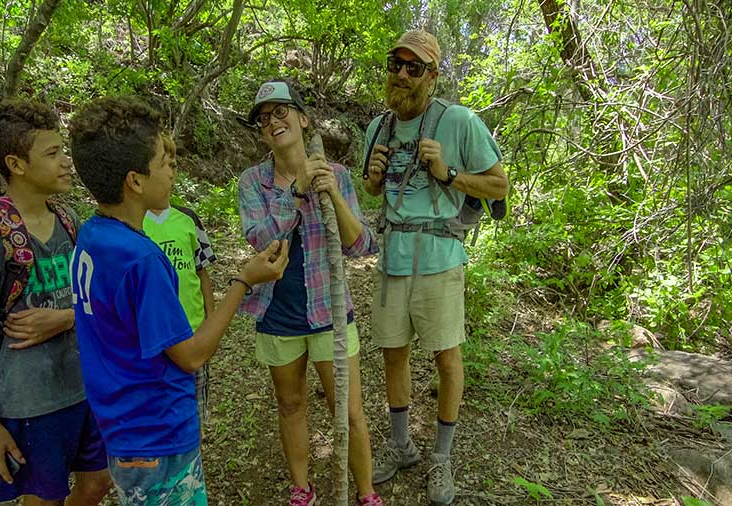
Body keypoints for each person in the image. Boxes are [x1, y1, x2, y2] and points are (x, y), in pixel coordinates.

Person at [67, 96, 288, 505]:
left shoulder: (92, 236)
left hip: (121, 427)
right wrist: (243, 280)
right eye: (162, 163)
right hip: (157, 434)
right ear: (135, 180)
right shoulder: (142, 260)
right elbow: (190, 356)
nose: (172, 170)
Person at [362, 30, 509, 506]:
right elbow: (372, 193)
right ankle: (402, 445)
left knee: (447, 359)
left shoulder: (459, 121)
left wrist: (448, 173)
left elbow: (499, 186)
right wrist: (374, 179)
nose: (402, 74)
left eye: (414, 67)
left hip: (441, 257)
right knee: (393, 354)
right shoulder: (377, 129)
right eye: (396, 64)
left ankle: (441, 458)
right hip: (392, 260)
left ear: (433, 75)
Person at [0, 99, 112, 505]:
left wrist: (67, 318)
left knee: (99, 482)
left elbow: (89, 300)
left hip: (82, 387)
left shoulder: (68, 218)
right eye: (53, 153)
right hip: (29, 403)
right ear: (16, 164)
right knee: (43, 499)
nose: (66, 163)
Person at [238, 80, 383, 506]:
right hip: (278, 314)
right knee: (290, 404)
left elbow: (361, 246)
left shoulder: (336, 175)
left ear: (303, 119)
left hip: (331, 314)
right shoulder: (252, 182)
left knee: (349, 410)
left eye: (281, 111)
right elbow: (262, 241)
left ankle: (366, 492)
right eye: (264, 118)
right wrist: (297, 191)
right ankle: (301, 488)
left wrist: (330, 194)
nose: (273, 122)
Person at [143, 134, 216, 424]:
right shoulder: (134, 223)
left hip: (194, 335)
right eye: (166, 165)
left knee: (194, 416)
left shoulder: (188, 219)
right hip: (156, 343)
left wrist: (211, 323)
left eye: (175, 165)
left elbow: (202, 273)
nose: (172, 173)